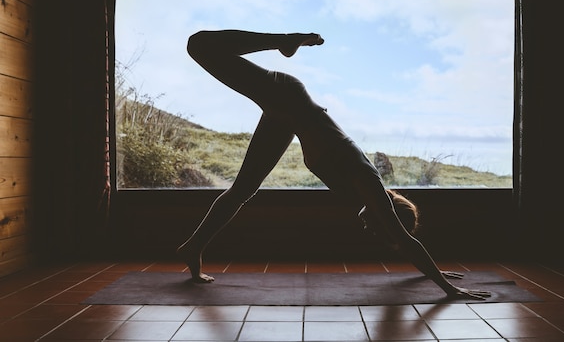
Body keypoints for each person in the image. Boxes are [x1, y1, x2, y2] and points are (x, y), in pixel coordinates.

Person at [177, 29, 491, 300]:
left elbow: (406, 244)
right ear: (387, 215)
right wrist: (447, 288)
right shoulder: (369, 184)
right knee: (199, 45)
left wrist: (431, 271)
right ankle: (284, 41)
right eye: (380, 229)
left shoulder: (360, 193)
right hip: (287, 98)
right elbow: (408, 242)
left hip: (286, 117)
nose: (370, 230)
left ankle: (193, 247)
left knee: (243, 189)